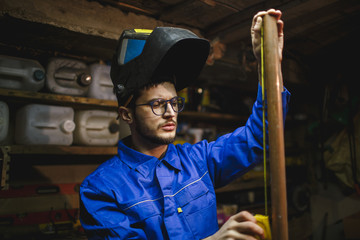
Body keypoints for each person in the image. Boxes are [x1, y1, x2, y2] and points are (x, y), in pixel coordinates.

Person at [80, 9, 289, 240]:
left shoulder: (199, 160)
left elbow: (260, 136)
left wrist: (269, 65)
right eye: (157, 104)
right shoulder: (100, 189)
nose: (171, 113)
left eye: (174, 102)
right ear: (126, 114)